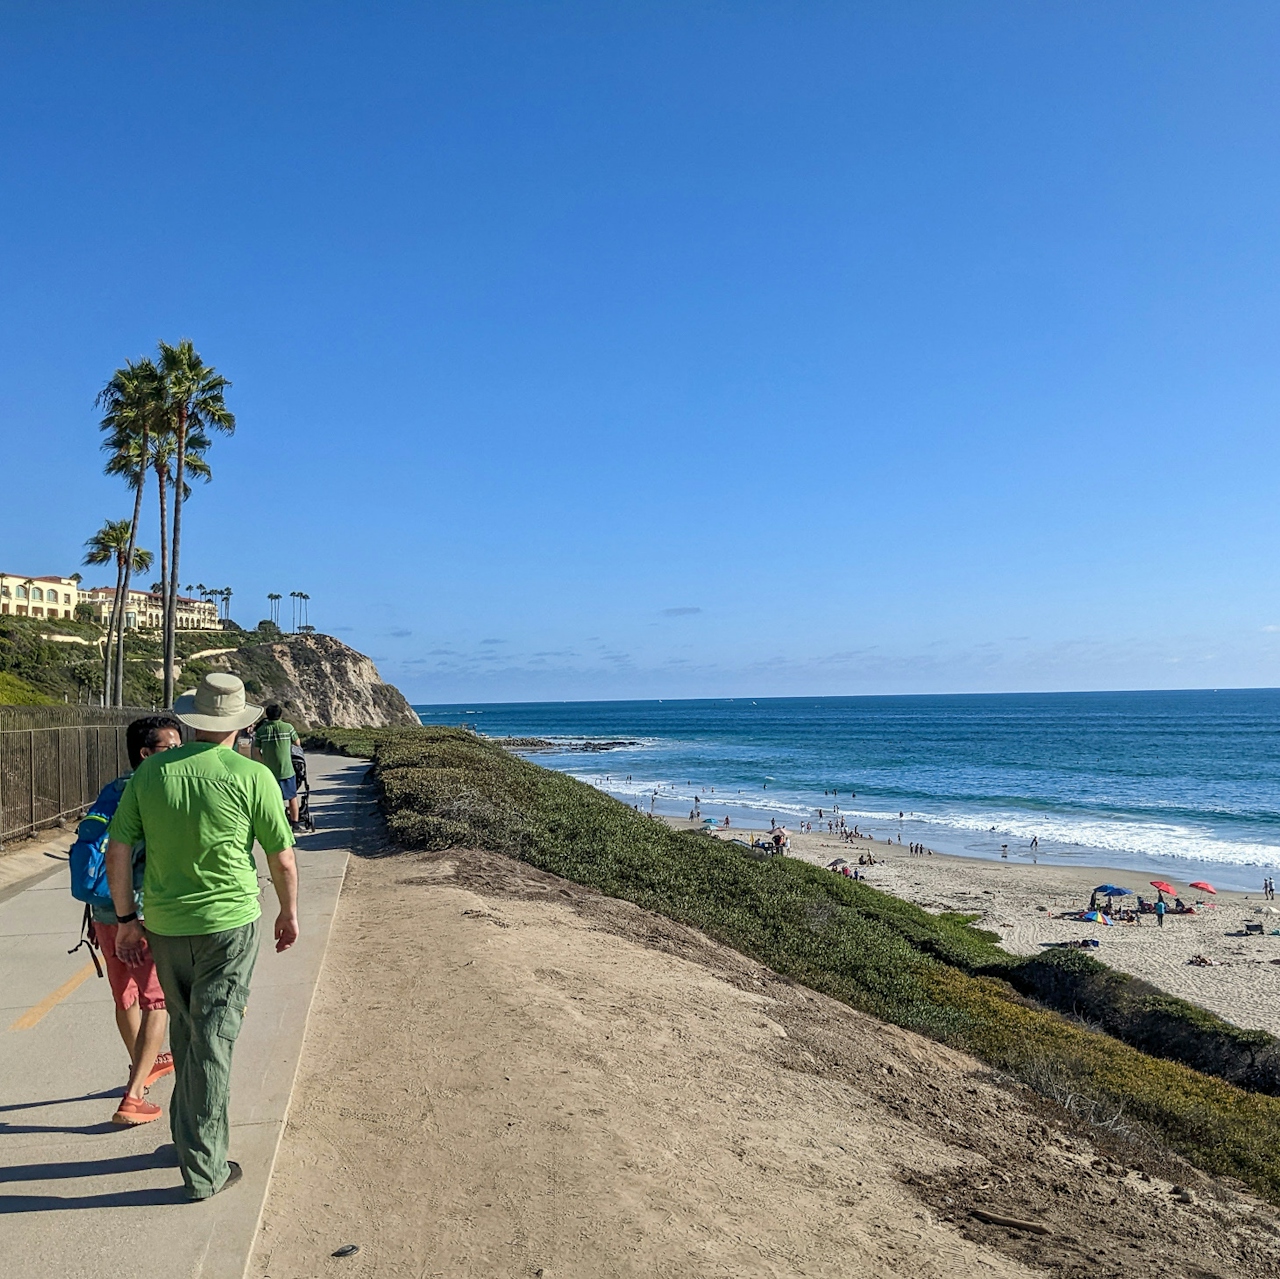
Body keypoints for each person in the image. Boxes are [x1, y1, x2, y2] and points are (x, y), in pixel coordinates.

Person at [106, 672, 298, 1202]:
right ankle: (204, 1170)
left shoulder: (151, 774)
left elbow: (117, 849)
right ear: (241, 723)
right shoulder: (251, 774)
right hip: (228, 924)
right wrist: (288, 912)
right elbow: (280, 856)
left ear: (193, 721)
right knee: (214, 1039)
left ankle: (188, 1138)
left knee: (190, 1030)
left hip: (165, 925)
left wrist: (126, 918)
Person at [89, 715, 183, 1125]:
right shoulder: (153, 791)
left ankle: (141, 1068)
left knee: (124, 995)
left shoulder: (111, 790)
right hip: (139, 912)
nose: (178, 754)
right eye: (170, 747)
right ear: (147, 753)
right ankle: (133, 1096)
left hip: (102, 910)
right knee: (157, 1001)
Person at [253, 703, 302, 828]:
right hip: (286, 770)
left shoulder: (261, 731)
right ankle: (295, 824)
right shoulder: (288, 727)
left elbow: (255, 751)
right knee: (292, 797)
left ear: (267, 715)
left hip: (269, 772)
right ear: (280, 715)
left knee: (272, 799)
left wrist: (263, 762)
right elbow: (297, 743)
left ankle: (276, 823)